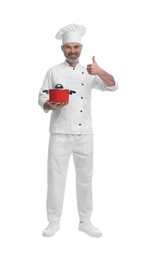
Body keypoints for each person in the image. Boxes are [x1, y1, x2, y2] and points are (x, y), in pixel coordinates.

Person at [38, 24, 118, 237]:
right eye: (68, 47)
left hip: (85, 133)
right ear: (62, 49)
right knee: (55, 178)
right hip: (59, 132)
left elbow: (113, 86)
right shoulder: (52, 71)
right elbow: (42, 98)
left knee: (85, 178)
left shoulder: (89, 72)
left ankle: (85, 221)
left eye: (76, 47)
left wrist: (100, 71)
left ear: (81, 48)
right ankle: (53, 222)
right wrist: (49, 105)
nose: (72, 51)